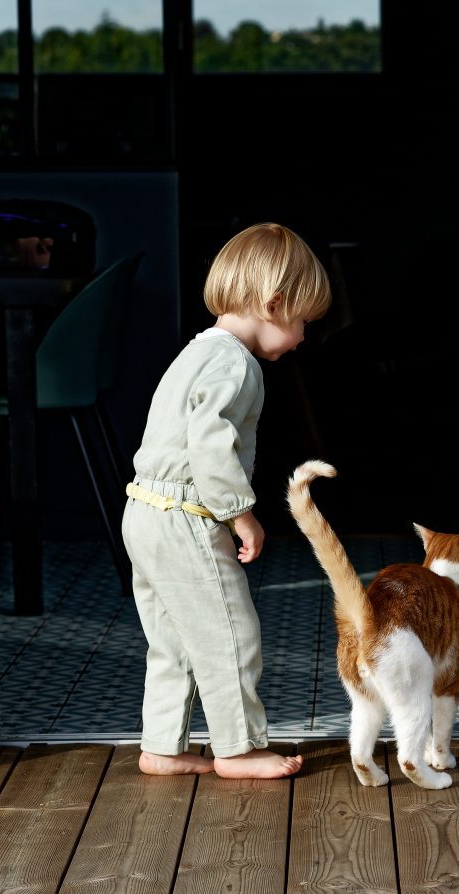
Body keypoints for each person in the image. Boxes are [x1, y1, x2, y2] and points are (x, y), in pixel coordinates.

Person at [122, 223, 331, 778]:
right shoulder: (235, 365)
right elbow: (209, 446)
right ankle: (239, 748)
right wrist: (243, 515)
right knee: (228, 631)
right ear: (275, 303)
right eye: (303, 322)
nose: (304, 337)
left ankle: (162, 746)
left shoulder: (197, 353)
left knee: (172, 639)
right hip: (184, 517)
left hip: (143, 510)